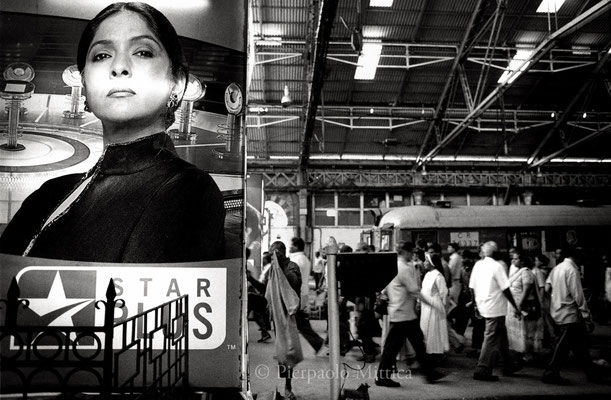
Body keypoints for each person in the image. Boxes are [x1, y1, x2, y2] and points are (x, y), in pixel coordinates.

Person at [0, 2, 225, 263]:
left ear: (177, 82)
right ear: (84, 83)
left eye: (142, 52)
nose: (119, 66)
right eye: (101, 55)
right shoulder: (48, 193)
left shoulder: (188, 190)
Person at [375, 241, 445, 387]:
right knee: (395, 347)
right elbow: (414, 290)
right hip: (404, 314)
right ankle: (382, 377)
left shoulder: (392, 265)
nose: (413, 255)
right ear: (406, 252)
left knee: (415, 343)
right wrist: (432, 304)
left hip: (399, 311)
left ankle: (429, 373)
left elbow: (384, 289)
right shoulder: (404, 268)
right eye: (411, 252)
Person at [542, 246, 601, 385]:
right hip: (569, 313)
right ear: (578, 257)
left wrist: (555, 298)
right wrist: (587, 316)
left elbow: (547, 287)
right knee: (564, 346)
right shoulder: (572, 270)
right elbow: (578, 295)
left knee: (579, 346)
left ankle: (591, 373)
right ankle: (551, 372)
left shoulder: (558, 268)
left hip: (557, 310)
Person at [469, 241, 522, 381]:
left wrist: (475, 305)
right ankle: (482, 369)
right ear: (495, 252)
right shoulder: (497, 266)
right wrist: (515, 306)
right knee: (491, 337)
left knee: (501, 336)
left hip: (483, 305)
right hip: (495, 307)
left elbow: (472, 287)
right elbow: (505, 289)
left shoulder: (478, 265)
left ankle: (508, 365)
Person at [265, 241, 303, 400]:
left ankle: (288, 386)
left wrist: (280, 266)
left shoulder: (292, 266)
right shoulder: (273, 269)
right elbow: (267, 289)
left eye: (276, 252)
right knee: (282, 350)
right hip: (277, 314)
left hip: (290, 313)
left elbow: (294, 282)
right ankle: (286, 383)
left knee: (289, 349)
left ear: (282, 252)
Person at [289, 237, 325, 355]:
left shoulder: (297, 260)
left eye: (291, 245)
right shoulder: (304, 259)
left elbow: (293, 279)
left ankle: (291, 350)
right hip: (301, 294)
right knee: (300, 322)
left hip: (296, 295)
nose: (289, 247)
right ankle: (316, 342)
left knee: (296, 323)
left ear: (296, 246)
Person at [506, 250, 543, 364]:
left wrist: (519, 305)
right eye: (513, 258)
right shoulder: (517, 271)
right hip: (514, 306)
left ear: (522, 261)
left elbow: (526, 290)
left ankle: (527, 354)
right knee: (519, 330)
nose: (513, 260)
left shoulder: (526, 272)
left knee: (526, 331)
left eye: (516, 258)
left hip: (522, 306)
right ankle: (519, 353)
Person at [420, 253, 450, 357]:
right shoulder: (428, 274)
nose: (424, 263)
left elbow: (444, 293)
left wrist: (444, 307)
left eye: (426, 261)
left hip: (435, 306)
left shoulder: (438, 276)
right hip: (426, 305)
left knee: (435, 329)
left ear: (432, 263)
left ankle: (436, 353)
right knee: (426, 329)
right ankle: (428, 351)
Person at [532, 253, 558, 349]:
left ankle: (553, 340)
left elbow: (543, 288)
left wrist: (540, 301)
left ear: (541, 261)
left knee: (547, 321)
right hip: (545, 299)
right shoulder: (543, 271)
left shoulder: (538, 272)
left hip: (543, 299)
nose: (535, 262)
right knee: (547, 321)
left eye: (537, 260)